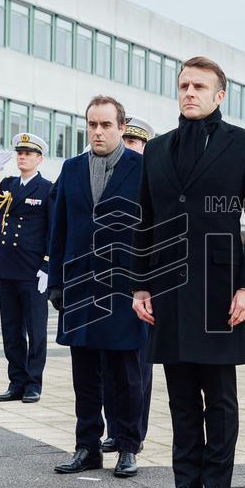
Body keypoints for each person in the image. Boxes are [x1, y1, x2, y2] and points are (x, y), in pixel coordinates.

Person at [131, 56, 245, 488]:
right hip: (168, 285)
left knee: (220, 396)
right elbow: (144, 221)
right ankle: (184, 485)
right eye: (184, 85)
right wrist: (139, 284)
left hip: (220, 288)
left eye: (199, 86)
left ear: (219, 95)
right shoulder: (156, 149)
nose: (189, 92)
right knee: (181, 395)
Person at [49, 97, 147, 479]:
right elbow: (60, 226)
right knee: (85, 372)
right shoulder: (71, 168)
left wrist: (148, 283)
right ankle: (87, 447)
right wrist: (56, 281)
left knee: (126, 373)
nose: (98, 132)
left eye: (106, 125)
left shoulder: (141, 168)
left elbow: (152, 229)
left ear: (121, 127)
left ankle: (127, 446)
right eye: (92, 125)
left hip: (124, 285)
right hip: (80, 284)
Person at [0, 133, 53, 404]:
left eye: (28, 153)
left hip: (33, 270)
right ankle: (16, 382)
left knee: (36, 331)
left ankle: (33, 384)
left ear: (39, 159)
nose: (22, 157)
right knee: (12, 330)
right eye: (20, 153)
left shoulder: (47, 189)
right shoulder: (7, 185)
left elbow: (53, 230)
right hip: (7, 267)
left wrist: (47, 265)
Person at [100, 114, 155, 456]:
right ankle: (114, 429)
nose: (130, 147)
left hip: (141, 282)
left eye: (136, 142)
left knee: (137, 365)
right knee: (109, 361)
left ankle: (134, 432)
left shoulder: (152, 178)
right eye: (127, 141)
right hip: (108, 281)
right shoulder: (106, 174)